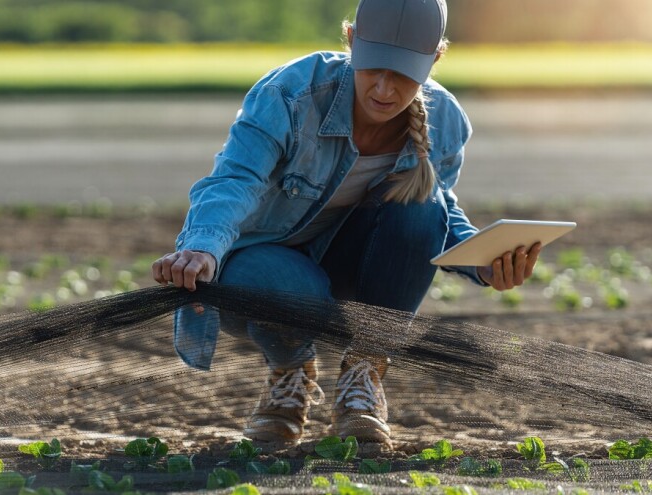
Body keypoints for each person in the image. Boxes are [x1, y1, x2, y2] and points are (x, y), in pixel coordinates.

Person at [151, 0, 541, 448]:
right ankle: (290, 372)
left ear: (435, 59)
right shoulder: (291, 95)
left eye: (404, 73)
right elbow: (236, 179)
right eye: (374, 66)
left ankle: (365, 371)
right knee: (280, 282)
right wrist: (201, 247)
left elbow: (440, 216)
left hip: (348, 267)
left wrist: (485, 263)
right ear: (352, 40)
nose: (385, 88)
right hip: (262, 271)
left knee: (421, 206)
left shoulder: (446, 121)